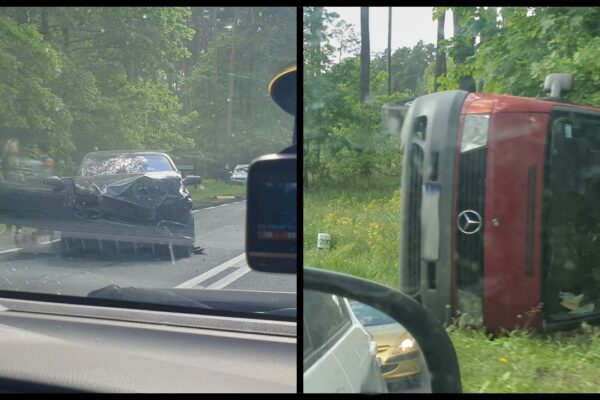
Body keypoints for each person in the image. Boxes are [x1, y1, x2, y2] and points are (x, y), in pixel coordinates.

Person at [1, 139, 22, 235]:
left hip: (16, 185)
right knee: (8, 207)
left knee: (16, 207)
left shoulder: (18, 158)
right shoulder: (5, 158)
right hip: (8, 186)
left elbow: (19, 172)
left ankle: (18, 227)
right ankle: (8, 227)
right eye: (11, 146)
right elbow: (3, 172)